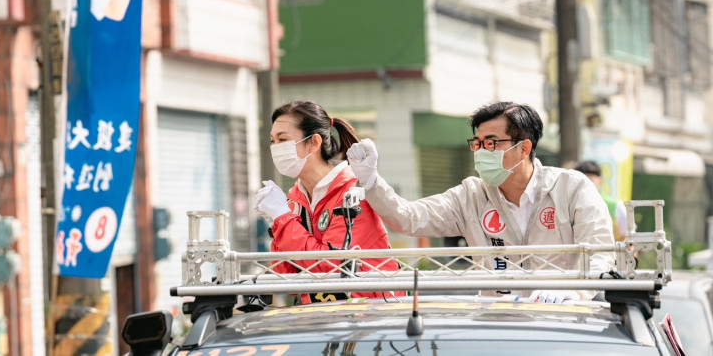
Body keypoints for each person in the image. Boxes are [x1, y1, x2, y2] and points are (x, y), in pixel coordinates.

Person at [346, 101, 615, 303]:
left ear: (524, 148)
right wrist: (371, 181)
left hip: (568, 326)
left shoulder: (572, 188)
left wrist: (573, 293)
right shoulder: (471, 196)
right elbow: (408, 218)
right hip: (497, 329)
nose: (481, 152)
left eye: (492, 143)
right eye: (477, 143)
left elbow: (601, 255)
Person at [254, 100, 400, 303]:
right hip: (321, 319)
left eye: (283, 140)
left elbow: (330, 266)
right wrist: (276, 223)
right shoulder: (296, 197)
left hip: (370, 316)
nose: (276, 148)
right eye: (273, 141)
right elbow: (285, 275)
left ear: (313, 142)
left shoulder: (353, 192)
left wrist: (283, 218)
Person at [575, 160, 628, 241]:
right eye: (581, 181)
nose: (586, 185)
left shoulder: (616, 206)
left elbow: (629, 241)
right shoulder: (569, 205)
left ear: (600, 181)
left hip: (610, 253)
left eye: (590, 180)